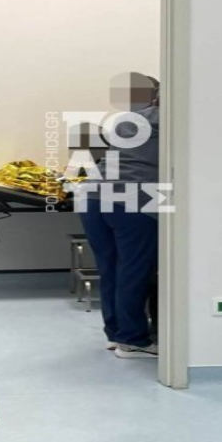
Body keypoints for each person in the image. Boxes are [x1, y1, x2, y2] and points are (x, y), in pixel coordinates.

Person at [77, 72, 160, 359]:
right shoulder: (170, 120)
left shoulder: (127, 121)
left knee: (110, 268)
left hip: (91, 197)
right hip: (131, 200)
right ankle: (133, 340)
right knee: (134, 270)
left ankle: (115, 334)